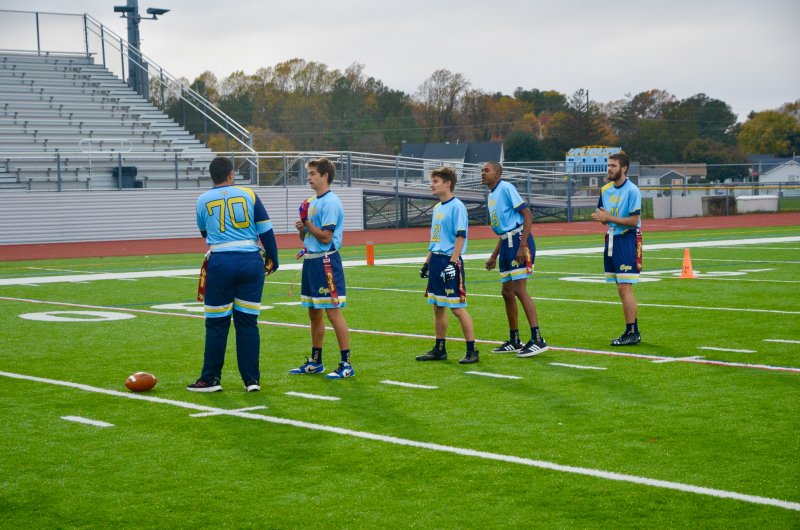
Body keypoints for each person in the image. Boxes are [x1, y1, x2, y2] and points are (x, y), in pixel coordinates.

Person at [188, 156, 280, 392]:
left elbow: (204, 232)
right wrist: (273, 259)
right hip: (250, 261)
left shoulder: (202, 199)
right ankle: (252, 380)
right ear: (231, 174)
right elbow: (266, 231)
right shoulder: (249, 194)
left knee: (217, 324)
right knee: (248, 322)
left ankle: (210, 379)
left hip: (221, 262)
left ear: (212, 176)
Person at [289, 158, 354, 379]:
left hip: (326, 262)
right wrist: (302, 228)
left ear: (325, 175)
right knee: (313, 312)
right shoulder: (310, 201)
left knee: (333, 313)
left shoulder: (331, 202)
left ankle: (346, 363)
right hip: (310, 261)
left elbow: (326, 238)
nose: (309, 178)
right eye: (308, 174)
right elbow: (305, 237)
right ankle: (316, 361)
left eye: (313, 173)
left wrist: (306, 223)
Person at [481, 162, 548, 357]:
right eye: (482, 171)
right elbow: (504, 230)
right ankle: (514, 339)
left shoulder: (506, 188)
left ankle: (537, 338)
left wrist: (523, 245)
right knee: (507, 292)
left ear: (498, 174)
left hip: (519, 241)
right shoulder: (492, 195)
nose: (482, 173)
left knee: (519, 289)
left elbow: (527, 216)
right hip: (507, 243)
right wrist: (494, 256)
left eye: (487, 170)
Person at [416, 167, 479, 364]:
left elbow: (461, 236)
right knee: (437, 306)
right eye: (431, 181)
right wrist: (427, 262)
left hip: (449, 261)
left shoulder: (457, 206)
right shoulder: (437, 208)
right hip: (436, 260)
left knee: (457, 307)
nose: (431, 185)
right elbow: (434, 239)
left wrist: (453, 263)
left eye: (435, 181)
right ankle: (440, 348)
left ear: (447, 183)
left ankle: (472, 350)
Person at [591, 152, 642, 346]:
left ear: (624, 168)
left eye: (613, 166)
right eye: (608, 166)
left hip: (628, 239)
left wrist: (609, 218)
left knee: (624, 287)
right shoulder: (605, 189)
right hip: (612, 239)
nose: (609, 169)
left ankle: (631, 331)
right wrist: (602, 218)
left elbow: (633, 221)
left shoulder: (632, 191)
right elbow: (603, 215)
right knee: (620, 288)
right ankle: (632, 330)